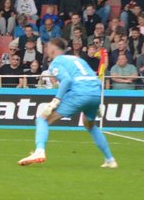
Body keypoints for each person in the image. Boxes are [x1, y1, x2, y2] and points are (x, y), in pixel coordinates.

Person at [19, 37, 116, 168]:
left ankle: (39, 151)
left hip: (79, 93)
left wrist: (56, 100)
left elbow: (66, 80)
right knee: (90, 125)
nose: (46, 50)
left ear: (53, 49)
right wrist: (97, 102)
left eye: (47, 47)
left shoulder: (56, 62)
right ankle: (110, 160)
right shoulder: (78, 59)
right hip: (95, 93)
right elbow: (95, 78)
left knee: (43, 119)